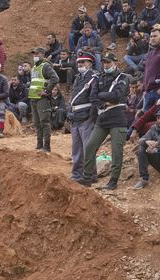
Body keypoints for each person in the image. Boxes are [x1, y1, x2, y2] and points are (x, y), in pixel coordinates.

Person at [80, 53, 130, 191]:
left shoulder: (123, 78)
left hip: (118, 118)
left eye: (108, 62)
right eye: (104, 62)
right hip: (102, 117)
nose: (106, 65)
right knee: (90, 146)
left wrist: (101, 95)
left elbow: (117, 96)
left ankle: (113, 180)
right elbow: (92, 96)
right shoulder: (99, 77)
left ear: (115, 62)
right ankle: (87, 178)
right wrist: (103, 101)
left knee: (116, 151)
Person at [68, 54, 99, 183]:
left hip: (86, 116)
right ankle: (77, 174)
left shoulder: (93, 78)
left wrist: (91, 117)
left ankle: (90, 174)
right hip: (75, 117)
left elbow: (93, 99)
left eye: (83, 62)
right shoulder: (78, 78)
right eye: (79, 62)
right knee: (76, 149)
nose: (80, 64)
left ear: (90, 63)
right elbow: (73, 97)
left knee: (88, 148)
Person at [29, 47, 60, 153]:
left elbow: (55, 78)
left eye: (37, 53)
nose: (35, 56)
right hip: (34, 98)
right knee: (37, 123)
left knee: (44, 122)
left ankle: (47, 147)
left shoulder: (45, 66)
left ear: (42, 54)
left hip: (42, 99)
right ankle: (39, 145)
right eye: (34, 54)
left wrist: (47, 91)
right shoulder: (33, 68)